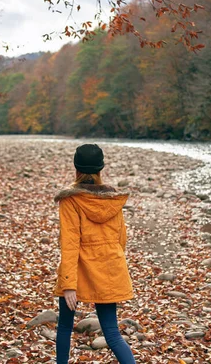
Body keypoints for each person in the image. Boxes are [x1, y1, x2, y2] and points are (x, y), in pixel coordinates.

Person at [53, 143, 136, 364]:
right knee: (112, 332)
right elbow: (121, 239)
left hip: (77, 270)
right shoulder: (111, 199)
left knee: (64, 327)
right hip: (109, 267)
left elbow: (70, 243)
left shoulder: (70, 199)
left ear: (76, 168)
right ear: (100, 169)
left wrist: (68, 284)